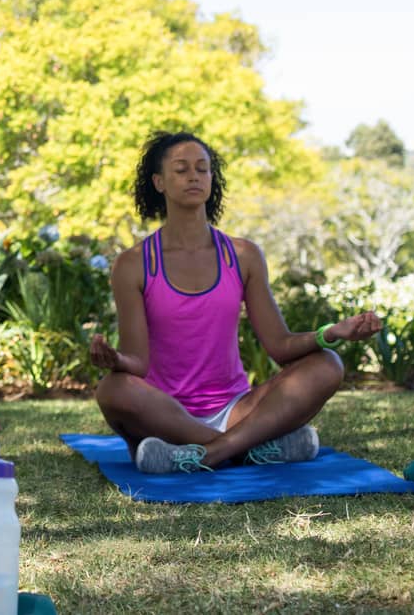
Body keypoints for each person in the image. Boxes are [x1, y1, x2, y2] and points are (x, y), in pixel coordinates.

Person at [91, 131, 383, 473]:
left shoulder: (243, 255)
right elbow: (137, 364)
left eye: (203, 168)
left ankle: (211, 452)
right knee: (113, 390)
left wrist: (332, 332)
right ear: (159, 182)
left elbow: (281, 346)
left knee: (327, 364)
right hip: (165, 412)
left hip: (236, 410)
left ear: (213, 179)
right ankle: (248, 448)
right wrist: (116, 359)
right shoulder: (134, 263)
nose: (194, 176)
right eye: (181, 169)